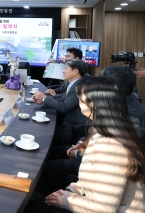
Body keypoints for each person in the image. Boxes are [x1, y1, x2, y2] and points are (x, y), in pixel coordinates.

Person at [27, 76, 145, 213]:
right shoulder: (108, 130)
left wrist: (67, 199)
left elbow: (104, 208)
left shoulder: (111, 146)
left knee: (34, 206)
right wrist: (69, 192)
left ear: (94, 104)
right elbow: (91, 182)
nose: (78, 103)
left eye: (81, 100)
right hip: (89, 202)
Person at [33, 59, 88, 144]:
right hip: (68, 124)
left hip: (74, 129)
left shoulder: (79, 87)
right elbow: (63, 98)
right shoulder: (74, 84)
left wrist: (44, 98)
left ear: (75, 71)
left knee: (43, 139)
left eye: (66, 69)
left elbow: (64, 107)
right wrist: (43, 102)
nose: (63, 71)